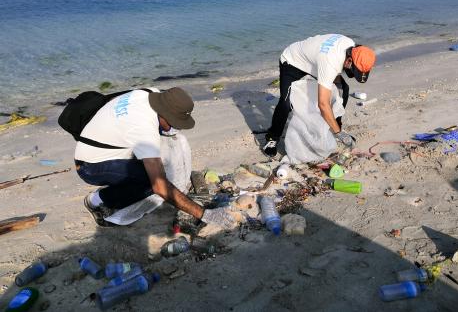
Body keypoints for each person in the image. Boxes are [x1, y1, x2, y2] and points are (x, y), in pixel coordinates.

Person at [74, 87, 234, 228]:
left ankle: (118, 189)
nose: (175, 128)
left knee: (155, 172)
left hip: (98, 142)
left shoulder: (151, 93)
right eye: (174, 123)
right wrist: (204, 214)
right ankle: (97, 200)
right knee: (152, 183)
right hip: (89, 165)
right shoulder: (143, 128)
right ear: (163, 114)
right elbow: (160, 186)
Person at [263, 34, 376, 157]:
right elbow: (323, 104)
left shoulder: (350, 46)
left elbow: (335, 72)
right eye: (355, 71)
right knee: (286, 103)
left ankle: (335, 126)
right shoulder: (330, 62)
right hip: (293, 62)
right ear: (349, 60)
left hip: (315, 64)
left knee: (343, 90)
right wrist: (339, 134)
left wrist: (337, 124)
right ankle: (272, 137)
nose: (354, 74)